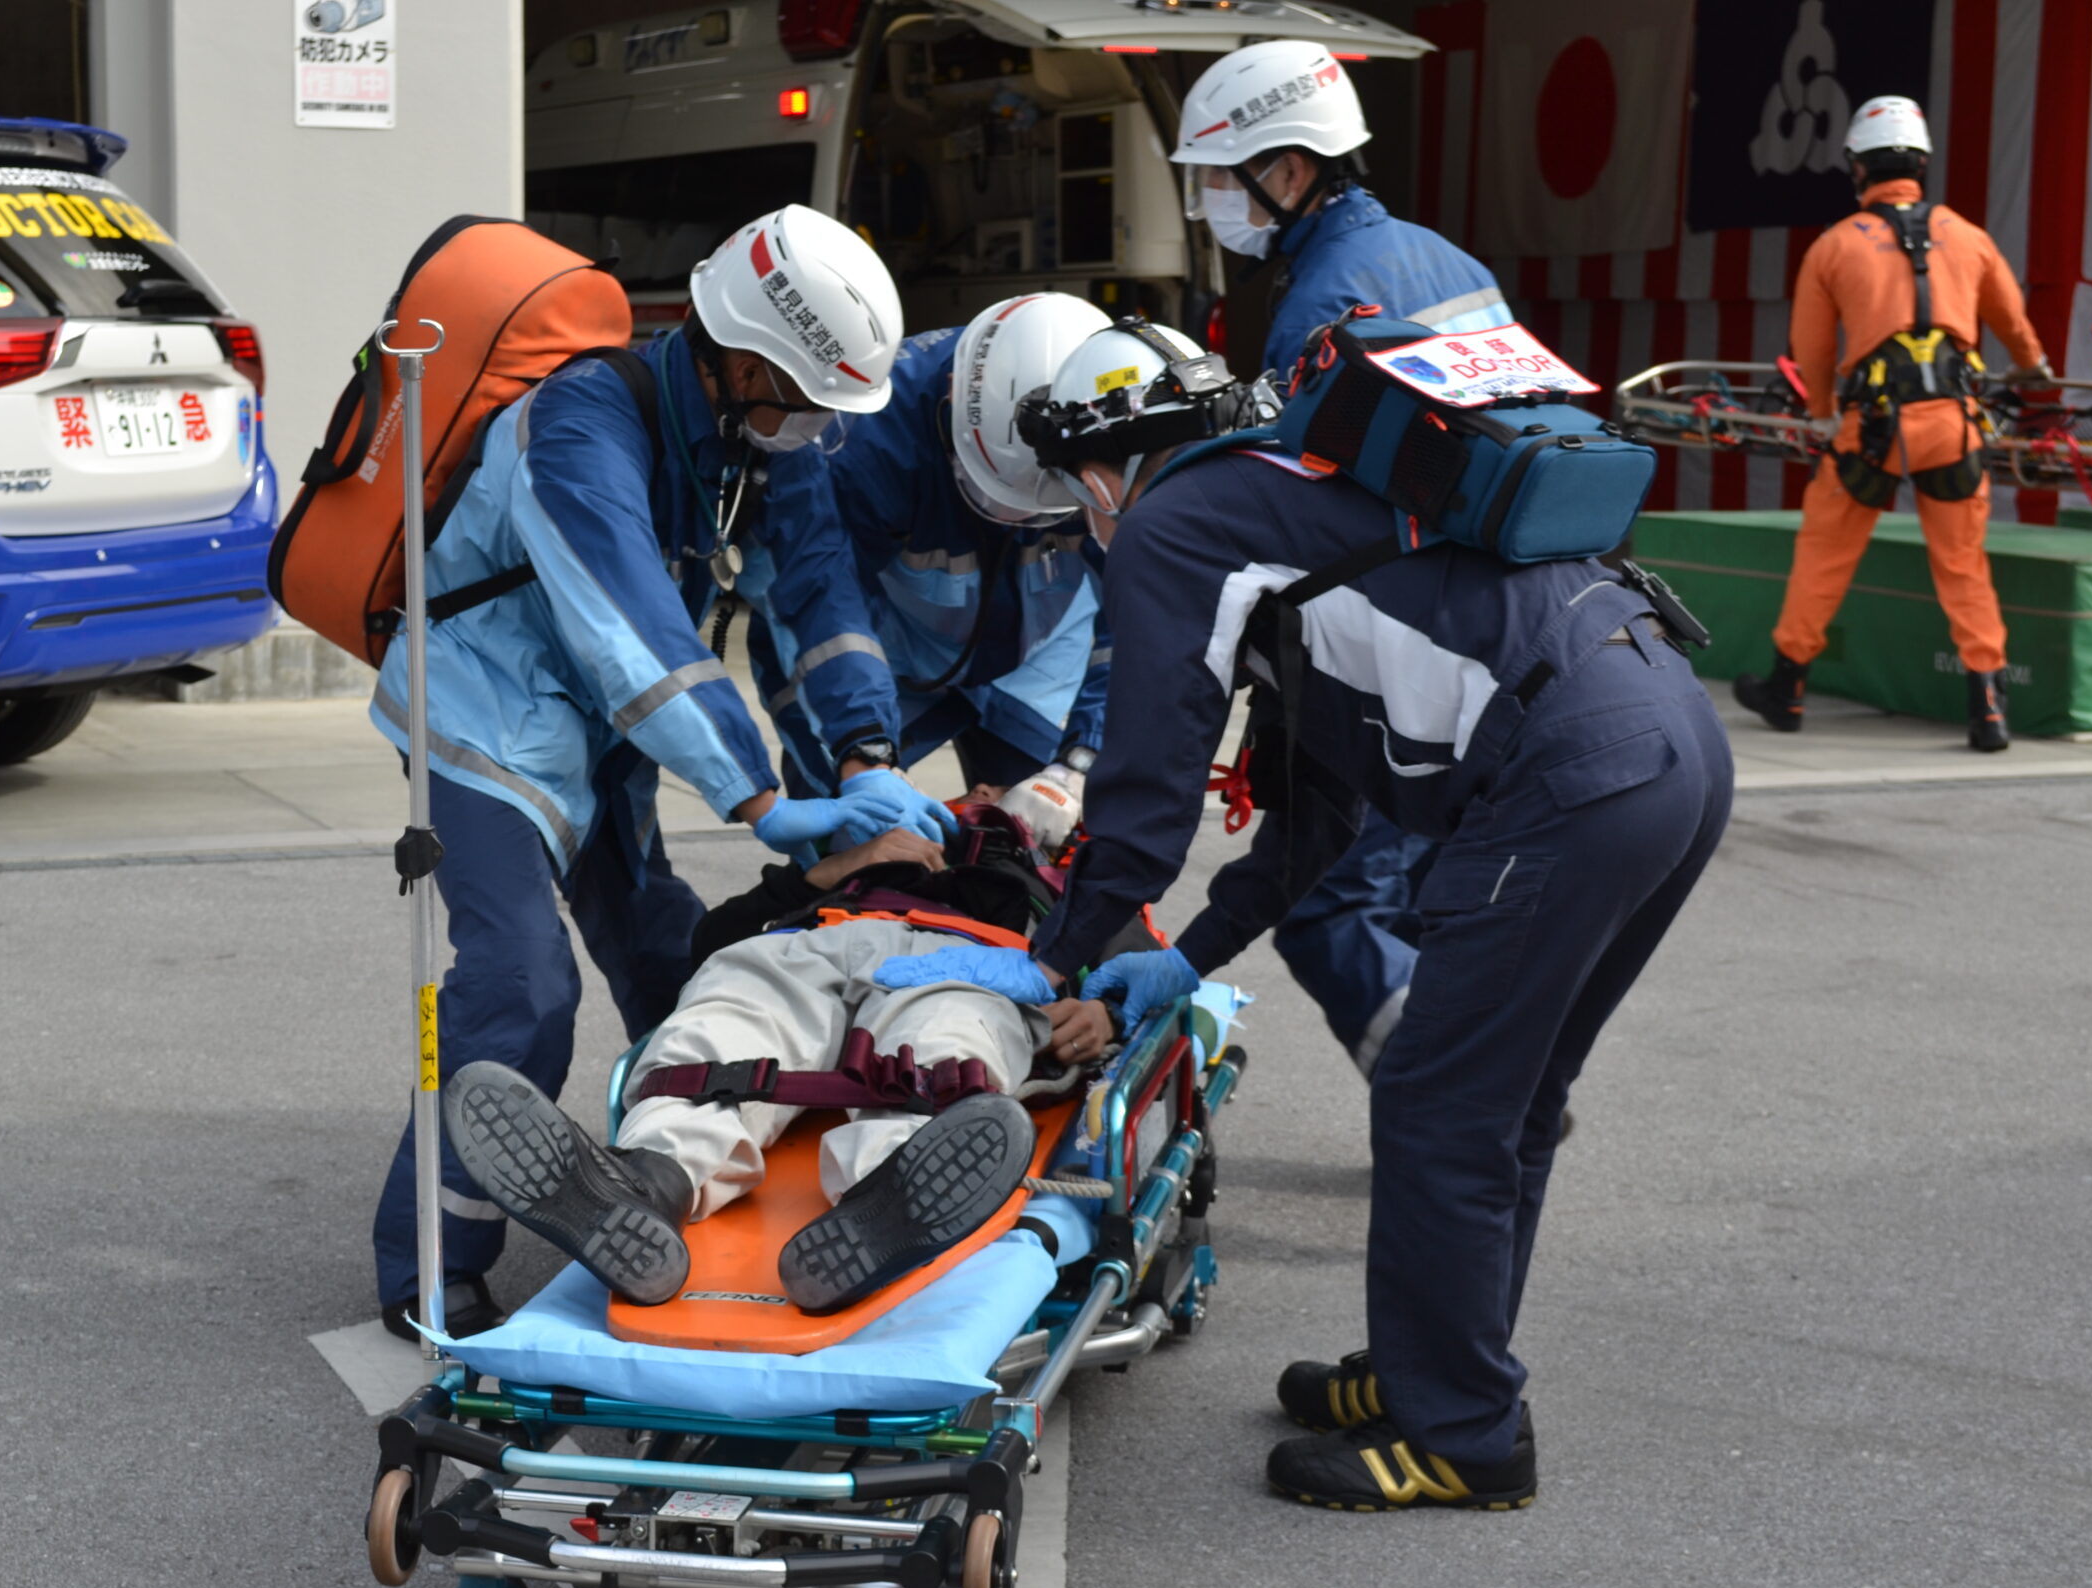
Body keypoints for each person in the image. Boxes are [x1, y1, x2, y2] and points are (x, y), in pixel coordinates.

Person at [876, 319, 1734, 1510]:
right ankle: (1436, 1369)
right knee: (1506, 1102)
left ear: (1100, 473)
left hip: (1569, 784)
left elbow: (1147, 785)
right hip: (1672, 744)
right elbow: (1313, 821)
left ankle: (1464, 1435)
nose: (1087, 527)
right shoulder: (1295, 499)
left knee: (1441, 1105)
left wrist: (1058, 956)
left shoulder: (1176, 522)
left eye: (1078, 501)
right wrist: (1187, 955)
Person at [368, 205, 958, 1341]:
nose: (819, 430)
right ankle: (431, 1264)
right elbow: (627, 628)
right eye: (808, 399)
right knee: (523, 984)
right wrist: (762, 799)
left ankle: (658, 1174)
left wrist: (866, 752)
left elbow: (819, 593)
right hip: (479, 725)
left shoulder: (756, 440)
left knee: (681, 959)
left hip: (591, 736)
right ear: (742, 358)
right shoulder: (580, 422)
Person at [1171, 38, 1515, 1079]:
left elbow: (1306, 527)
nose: (1210, 205)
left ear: (1288, 170)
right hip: (1500, 635)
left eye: (1222, 179)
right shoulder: (1453, 262)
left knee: (1331, 906)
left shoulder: (1323, 302)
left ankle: (1451, 1090)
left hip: (1404, 652)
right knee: (1422, 900)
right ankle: (1487, 1087)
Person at [441, 794, 1121, 1316]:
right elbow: (711, 938)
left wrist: (1104, 1012)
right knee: (724, 1026)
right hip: (813, 940)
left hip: (978, 961)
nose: (986, 796)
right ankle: (646, 1182)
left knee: (940, 1052)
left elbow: (1139, 982)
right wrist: (834, 870)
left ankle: (886, 1199)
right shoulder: (876, 846)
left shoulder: (1078, 881)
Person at [1733, 96, 2051, 753]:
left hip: (1870, 430)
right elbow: (2015, 327)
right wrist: (2031, 368)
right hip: (1953, 425)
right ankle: (1989, 706)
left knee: (1824, 555)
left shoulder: (1834, 245)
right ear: (1922, 164)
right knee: (1963, 565)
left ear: (1858, 167)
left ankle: (1786, 689)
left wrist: (1824, 416)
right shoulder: (1967, 235)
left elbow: (1812, 349)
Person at [773, 293, 1114, 829]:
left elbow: (1144, 614)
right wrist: (866, 752)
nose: (1017, 520)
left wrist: (1079, 763)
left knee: (1054, 841)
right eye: (997, 495)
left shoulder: (1120, 431)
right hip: (894, 659)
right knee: (847, 823)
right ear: (953, 400)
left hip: (1044, 656)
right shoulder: (862, 440)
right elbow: (818, 601)